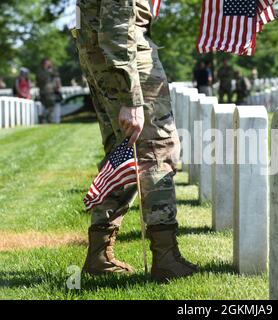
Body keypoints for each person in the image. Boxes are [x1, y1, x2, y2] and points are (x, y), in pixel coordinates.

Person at [74, 0, 198, 281]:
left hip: (105, 58)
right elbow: (117, 26)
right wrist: (131, 97)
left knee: (123, 153)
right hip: (128, 62)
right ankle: (166, 258)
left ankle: (99, 254)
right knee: (156, 152)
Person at [36, 58, 62, 123]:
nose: (49, 64)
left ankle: (47, 120)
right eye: (47, 63)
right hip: (45, 92)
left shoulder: (52, 71)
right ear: (44, 64)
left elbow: (57, 78)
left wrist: (58, 86)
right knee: (49, 106)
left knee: (51, 106)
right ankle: (44, 118)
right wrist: (48, 72)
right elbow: (41, 80)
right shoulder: (41, 72)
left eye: (50, 63)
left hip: (51, 91)